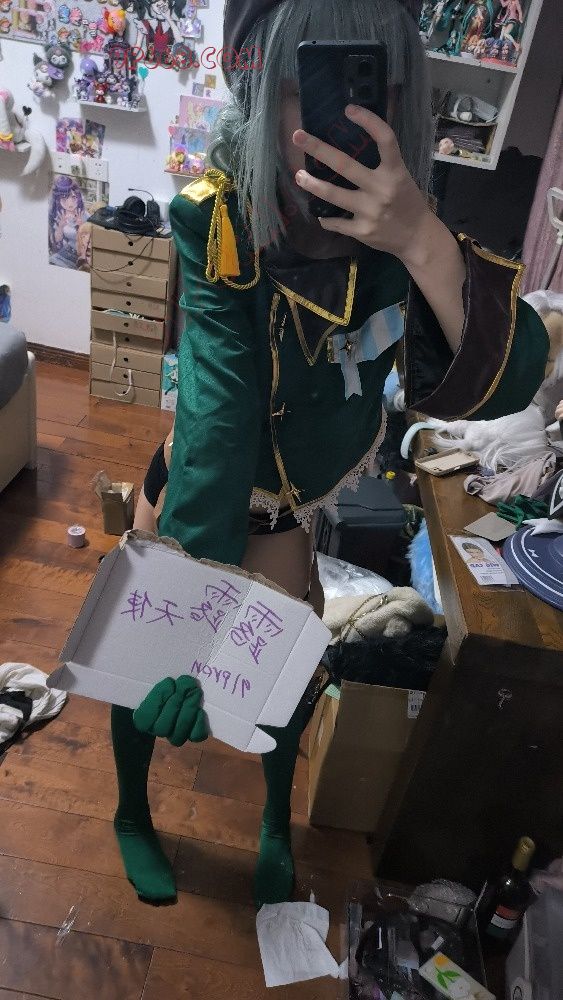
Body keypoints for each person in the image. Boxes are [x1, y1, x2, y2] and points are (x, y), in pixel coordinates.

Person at [111, 0, 549, 909]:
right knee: (144, 660)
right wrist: (190, 618)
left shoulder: (404, 230)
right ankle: (129, 812)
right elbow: (218, 423)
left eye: (370, 83)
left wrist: (419, 237)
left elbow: (508, 385)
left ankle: (274, 823)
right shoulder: (219, 218)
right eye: (305, 84)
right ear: (258, 81)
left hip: (290, 508)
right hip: (199, 487)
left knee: (287, 682)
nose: (342, 117)